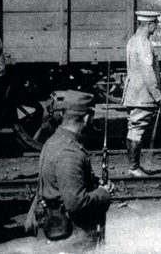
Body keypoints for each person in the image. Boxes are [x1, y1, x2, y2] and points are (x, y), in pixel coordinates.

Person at [32, 90, 114, 249]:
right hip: (71, 240)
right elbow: (76, 203)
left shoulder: (54, 141)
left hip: (57, 234)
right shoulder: (70, 153)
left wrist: (95, 183)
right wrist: (103, 193)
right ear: (86, 118)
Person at [121, 11, 161, 177]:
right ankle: (134, 168)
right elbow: (148, 72)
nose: (157, 27)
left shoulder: (133, 40)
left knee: (133, 128)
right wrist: (157, 94)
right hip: (143, 94)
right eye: (156, 23)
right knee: (137, 129)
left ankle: (133, 166)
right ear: (149, 24)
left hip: (132, 92)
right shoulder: (145, 43)